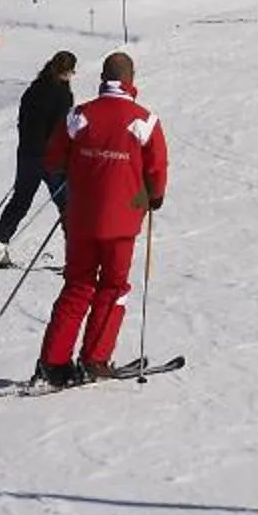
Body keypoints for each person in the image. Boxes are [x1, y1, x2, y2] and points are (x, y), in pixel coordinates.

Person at [35, 51, 169, 387]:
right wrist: (148, 199)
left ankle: (54, 363)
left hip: (80, 219)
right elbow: (156, 173)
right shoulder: (144, 121)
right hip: (122, 225)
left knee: (78, 285)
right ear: (131, 80)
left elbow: (52, 160)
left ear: (103, 79)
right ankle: (95, 358)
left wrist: (80, 174)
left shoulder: (79, 116)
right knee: (113, 287)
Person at [0, 49, 77, 266]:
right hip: (52, 159)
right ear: (67, 72)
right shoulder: (63, 96)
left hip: (27, 154)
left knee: (20, 201)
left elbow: (22, 123)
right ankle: (76, 257)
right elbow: (62, 130)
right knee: (68, 205)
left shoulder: (32, 90)